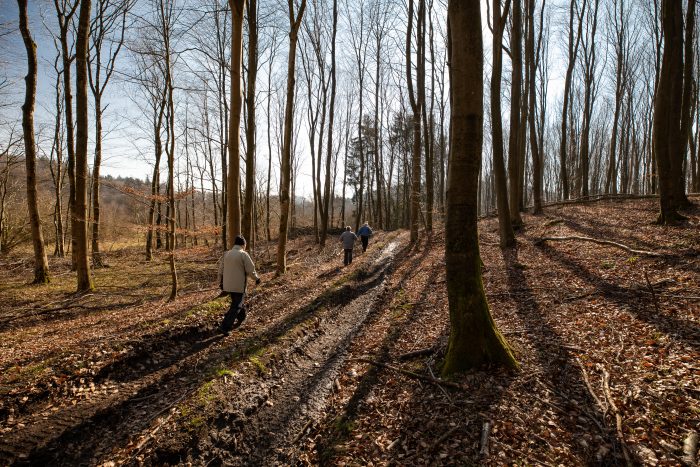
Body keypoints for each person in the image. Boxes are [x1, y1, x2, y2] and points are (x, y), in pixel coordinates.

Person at [218, 235, 260, 335]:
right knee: (236, 306)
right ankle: (224, 326)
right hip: (239, 286)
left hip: (228, 285)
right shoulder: (243, 254)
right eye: (245, 244)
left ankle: (242, 317)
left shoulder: (226, 254)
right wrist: (257, 279)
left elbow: (220, 270)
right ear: (243, 244)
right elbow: (250, 270)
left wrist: (220, 282)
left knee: (237, 303)